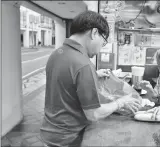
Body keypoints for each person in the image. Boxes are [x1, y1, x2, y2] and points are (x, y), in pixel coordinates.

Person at [40, 11, 141, 147]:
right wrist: (121, 102)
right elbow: (94, 114)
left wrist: (94, 74)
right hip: (69, 138)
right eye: (103, 41)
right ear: (94, 33)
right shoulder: (83, 64)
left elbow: (66, 81)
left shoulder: (57, 54)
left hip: (50, 132)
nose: (100, 49)